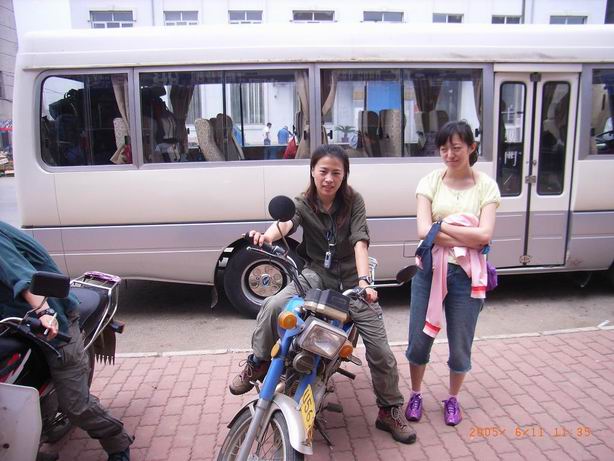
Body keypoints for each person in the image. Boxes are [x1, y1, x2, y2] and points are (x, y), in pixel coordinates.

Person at [229, 144, 417, 444]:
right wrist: (267, 236)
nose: (329, 178)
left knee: (381, 350)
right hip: (316, 274)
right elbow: (286, 224)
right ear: (313, 172)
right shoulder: (303, 202)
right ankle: (259, 361)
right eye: (323, 171)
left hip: (353, 279)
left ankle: (389, 410)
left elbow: (360, 242)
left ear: (344, 176)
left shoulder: (354, 202)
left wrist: (365, 282)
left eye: (336, 173)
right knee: (275, 304)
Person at [0, 221, 133, 461]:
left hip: (52, 319)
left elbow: (23, 277)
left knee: (75, 405)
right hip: (13, 322)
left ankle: (117, 443)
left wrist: (45, 312)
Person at [405, 120, 500, 426]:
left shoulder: (486, 186)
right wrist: (464, 234)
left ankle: (452, 399)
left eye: (456, 147)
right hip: (429, 272)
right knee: (418, 340)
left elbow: (485, 235)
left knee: (460, 344)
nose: (450, 154)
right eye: (444, 148)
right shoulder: (429, 182)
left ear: (472, 148)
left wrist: (440, 227)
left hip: (467, 277)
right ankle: (415, 394)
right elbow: (423, 231)